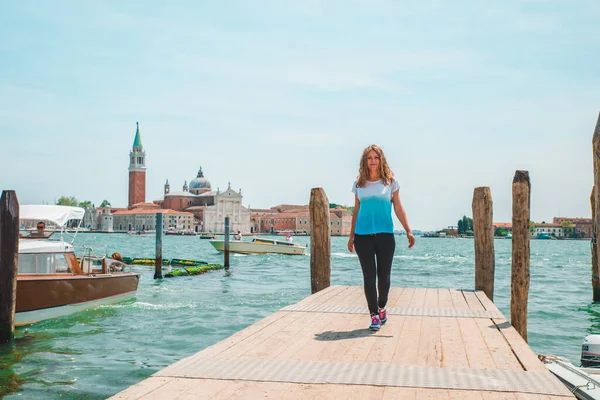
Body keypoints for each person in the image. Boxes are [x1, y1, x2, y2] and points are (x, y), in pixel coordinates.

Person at [348, 144, 415, 331]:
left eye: (376, 157)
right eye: (369, 158)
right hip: (363, 236)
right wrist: (351, 236)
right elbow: (356, 211)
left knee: (383, 277)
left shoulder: (391, 183)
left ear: (381, 159)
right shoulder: (359, 184)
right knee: (369, 277)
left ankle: (382, 305)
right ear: (364, 161)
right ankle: (374, 315)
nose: (373, 161)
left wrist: (408, 230)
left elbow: (399, 208)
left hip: (385, 235)